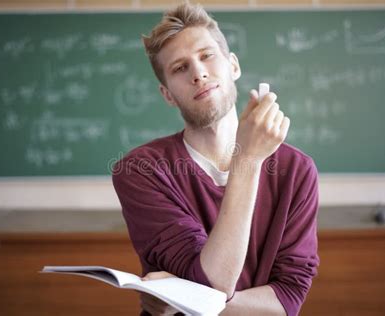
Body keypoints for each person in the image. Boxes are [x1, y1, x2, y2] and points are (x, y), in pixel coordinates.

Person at [112, 2, 319, 315]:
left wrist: (181, 296)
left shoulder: (296, 170)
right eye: (180, 68)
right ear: (167, 94)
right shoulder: (140, 169)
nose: (199, 73)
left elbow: (287, 298)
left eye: (206, 55)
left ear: (233, 65)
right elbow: (215, 281)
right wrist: (247, 160)